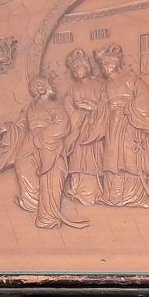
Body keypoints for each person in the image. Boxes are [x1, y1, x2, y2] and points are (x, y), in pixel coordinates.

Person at [95, 44, 149, 207]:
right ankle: (113, 195)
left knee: (129, 156)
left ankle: (133, 195)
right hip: (112, 124)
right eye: (102, 64)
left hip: (131, 123)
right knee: (112, 156)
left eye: (107, 63)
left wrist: (128, 108)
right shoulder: (105, 87)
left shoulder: (131, 80)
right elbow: (101, 107)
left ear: (116, 63)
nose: (104, 67)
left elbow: (146, 99)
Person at [8, 76, 88, 229]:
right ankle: (33, 201)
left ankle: (48, 217)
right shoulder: (30, 108)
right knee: (22, 163)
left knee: (51, 177)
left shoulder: (55, 106)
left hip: (51, 145)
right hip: (31, 142)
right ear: (41, 88)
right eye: (50, 83)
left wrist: (43, 136)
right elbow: (21, 124)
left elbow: (63, 124)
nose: (54, 86)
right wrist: (7, 128)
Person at [62, 48, 105, 206]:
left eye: (78, 66)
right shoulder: (72, 89)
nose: (76, 70)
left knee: (93, 160)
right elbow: (67, 109)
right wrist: (79, 112)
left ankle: (93, 193)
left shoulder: (100, 84)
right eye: (73, 68)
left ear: (87, 66)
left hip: (95, 131)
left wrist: (92, 108)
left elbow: (107, 105)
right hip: (78, 133)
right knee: (77, 160)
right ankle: (77, 190)